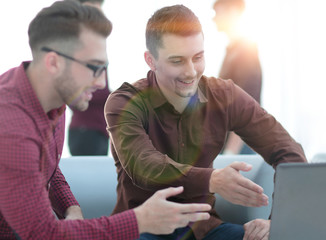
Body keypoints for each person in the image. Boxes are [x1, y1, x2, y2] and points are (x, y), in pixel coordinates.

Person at [0, 1, 212, 239]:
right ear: (53, 63)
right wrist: (140, 220)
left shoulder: (50, 97)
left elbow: (44, 164)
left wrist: (71, 206)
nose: (102, 83)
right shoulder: (11, 128)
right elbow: (44, 234)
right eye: (94, 67)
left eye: (105, 68)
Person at [104, 4, 307, 240]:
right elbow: (144, 165)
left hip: (203, 230)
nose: (191, 72)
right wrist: (211, 179)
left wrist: (278, 222)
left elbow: (289, 152)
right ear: (151, 60)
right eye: (177, 61)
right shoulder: (124, 102)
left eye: (198, 57)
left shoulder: (225, 95)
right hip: (142, 230)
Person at [213, 0, 262, 155]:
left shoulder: (245, 50)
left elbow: (246, 105)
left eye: (217, 13)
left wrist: (230, 152)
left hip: (240, 146)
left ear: (233, 11)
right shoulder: (232, 52)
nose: (214, 18)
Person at [68, 0, 110, 156]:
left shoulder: (97, 47)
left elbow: (101, 87)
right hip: (86, 130)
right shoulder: (75, 50)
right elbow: (73, 92)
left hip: (97, 129)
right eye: (92, 13)